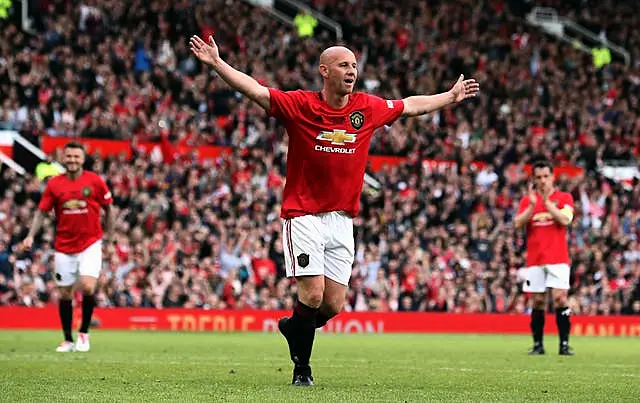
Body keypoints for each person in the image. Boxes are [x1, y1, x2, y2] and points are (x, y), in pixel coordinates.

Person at [189, 35, 479, 386]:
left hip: (342, 219)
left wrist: (449, 97)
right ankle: (302, 371)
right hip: (303, 214)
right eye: (344, 65)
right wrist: (218, 64)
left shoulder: (366, 108)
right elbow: (258, 91)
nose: (351, 71)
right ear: (323, 71)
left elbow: (410, 105)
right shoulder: (301, 105)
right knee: (311, 294)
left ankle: (293, 327)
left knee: (333, 306)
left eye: (354, 66)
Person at [22, 142, 114, 352]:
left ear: (83, 159)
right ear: (64, 159)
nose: (72, 160)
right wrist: (30, 236)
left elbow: (109, 209)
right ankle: (67, 339)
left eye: (76, 157)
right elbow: (41, 212)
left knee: (89, 286)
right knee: (65, 294)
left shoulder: (95, 181)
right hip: (64, 245)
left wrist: (110, 238)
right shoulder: (55, 184)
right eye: (69, 156)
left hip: (91, 242)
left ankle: (83, 334)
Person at [514, 160, 575, 356]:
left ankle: (564, 344)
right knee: (537, 301)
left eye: (546, 176)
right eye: (538, 177)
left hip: (558, 258)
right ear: (533, 179)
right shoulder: (527, 201)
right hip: (535, 259)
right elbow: (517, 224)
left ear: (553, 177)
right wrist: (532, 206)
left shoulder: (564, 198)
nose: (542, 181)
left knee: (560, 298)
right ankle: (538, 344)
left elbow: (565, 219)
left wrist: (548, 203)